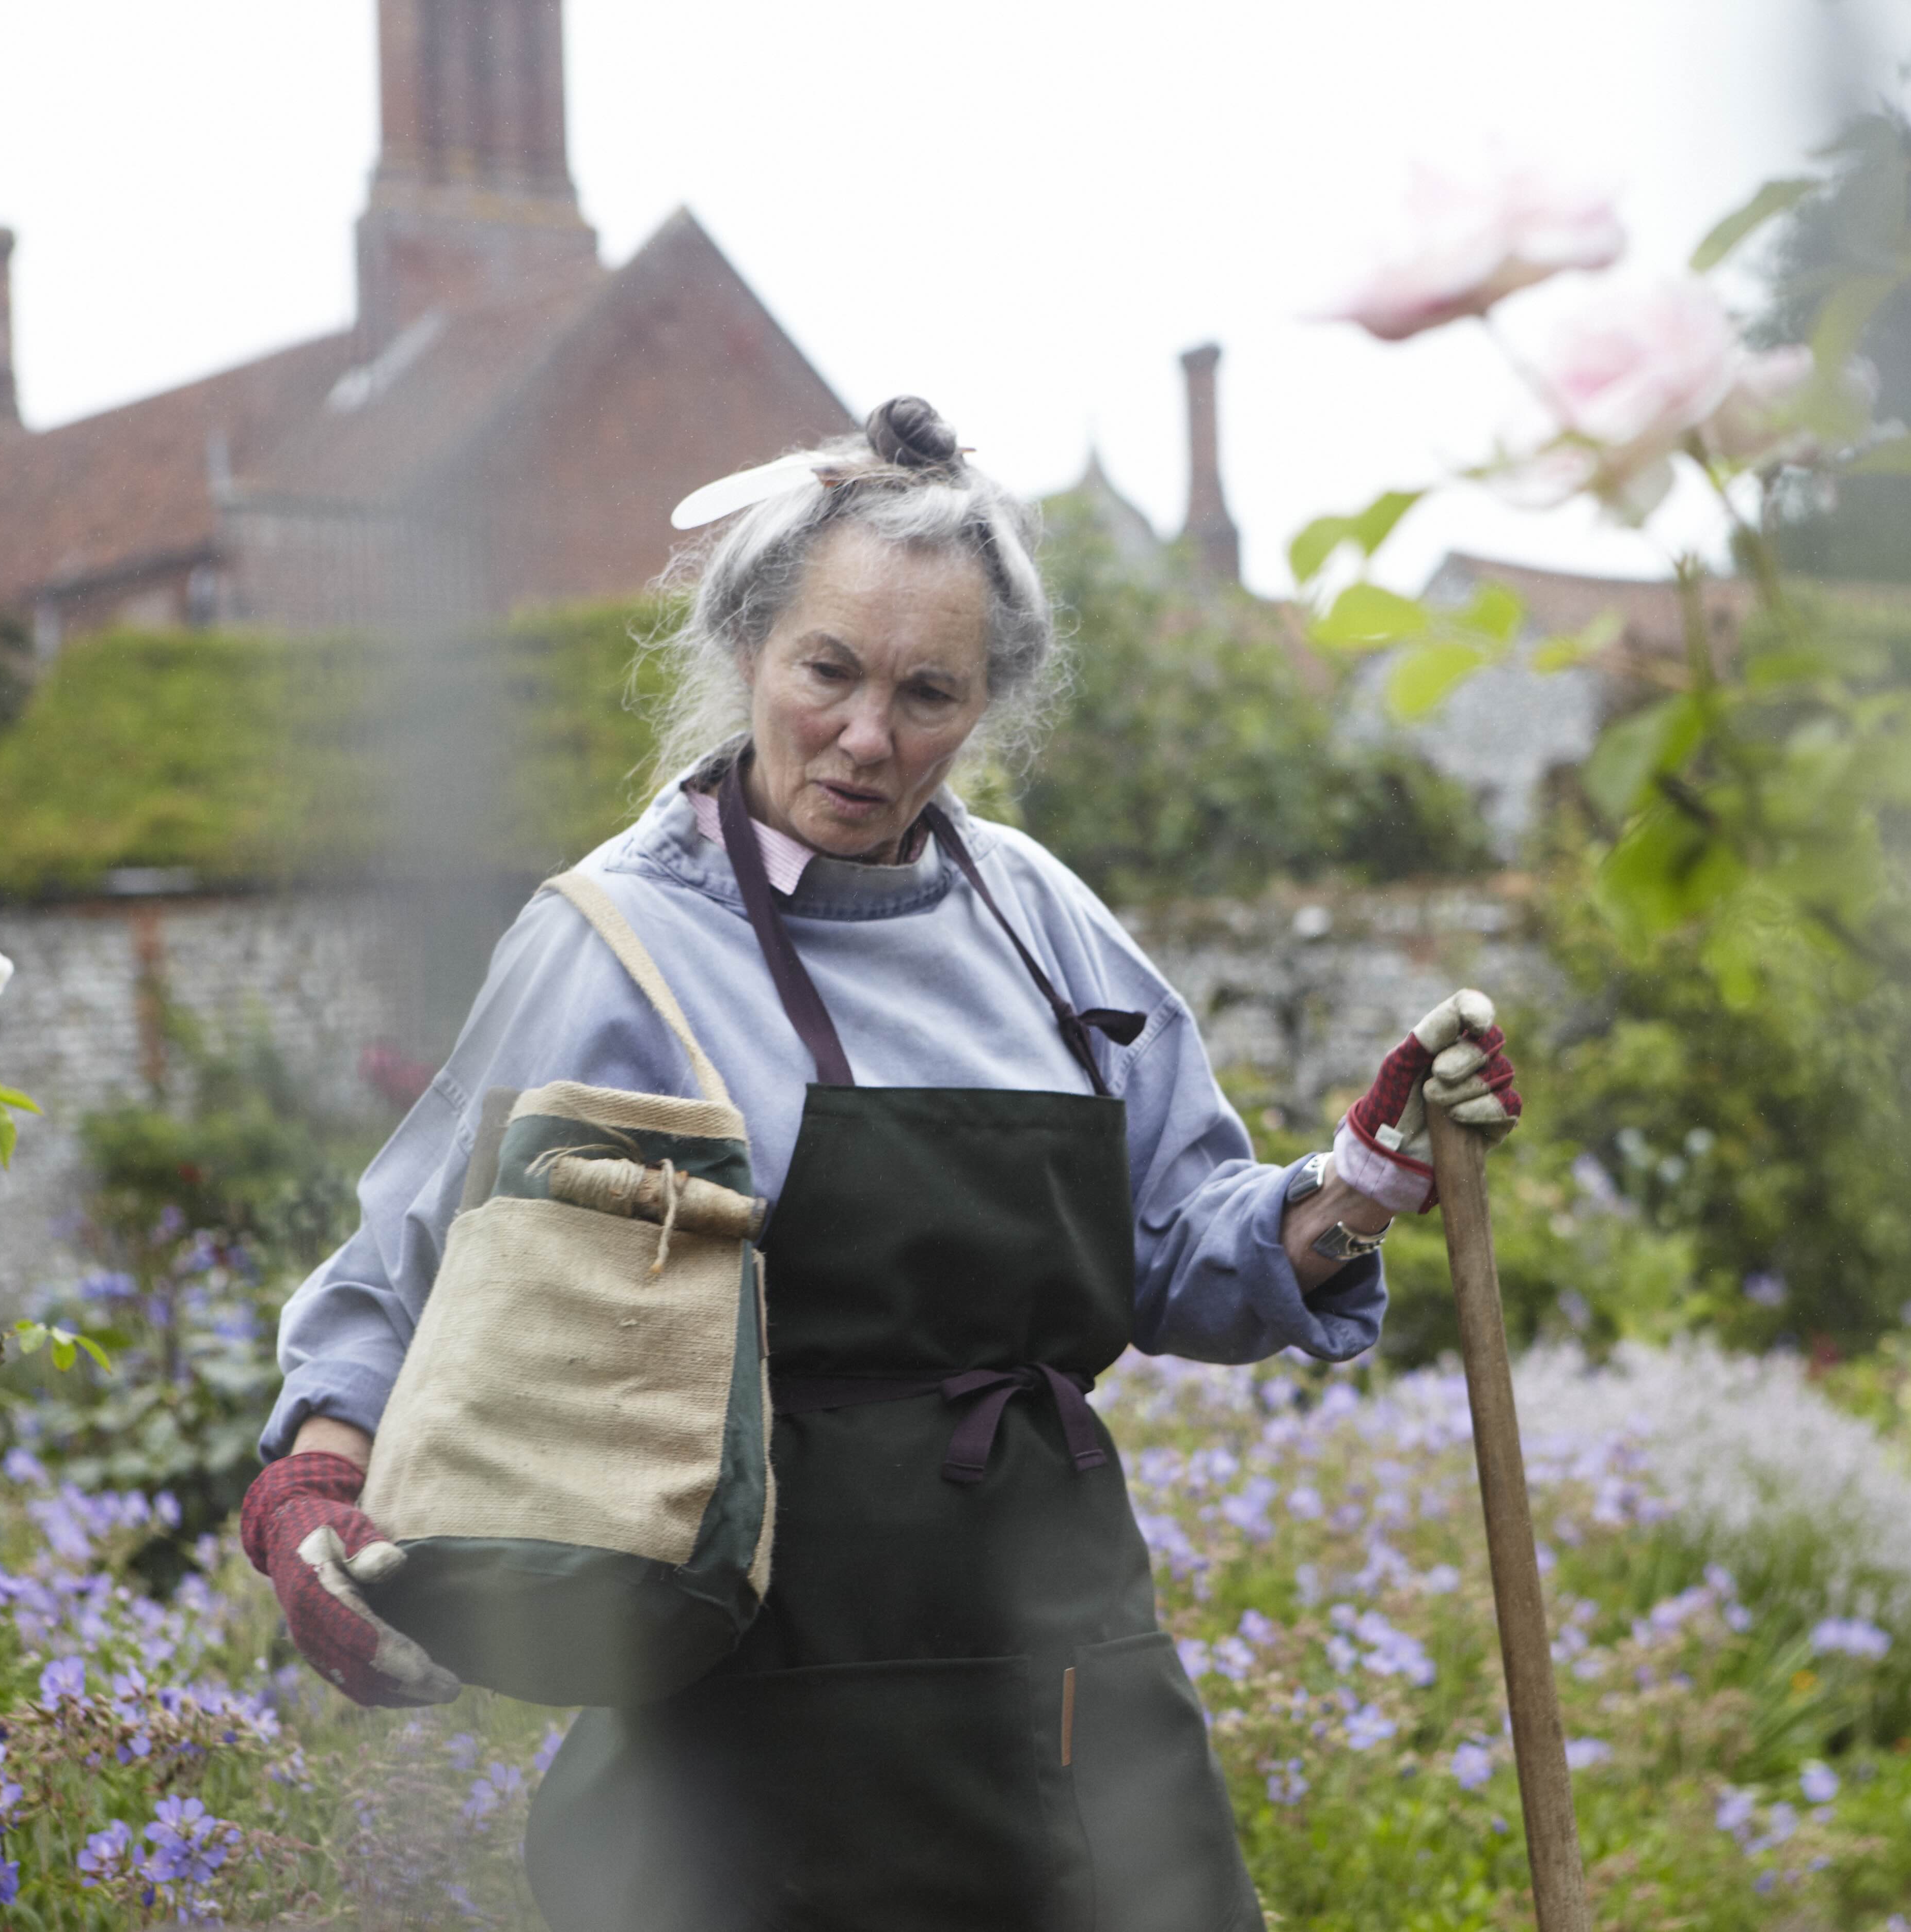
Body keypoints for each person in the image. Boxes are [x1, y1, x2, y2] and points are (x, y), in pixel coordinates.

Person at [236, 398, 1520, 1931]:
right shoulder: (616, 947)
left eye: (928, 693)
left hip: (1064, 1664)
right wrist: (315, 1480)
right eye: (828, 673)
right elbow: (411, 1263)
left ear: (986, 707)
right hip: (757, 1681)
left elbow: (1181, 1252)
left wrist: (1359, 1184)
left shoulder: (1038, 924)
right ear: (747, 654)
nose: (866, 736)